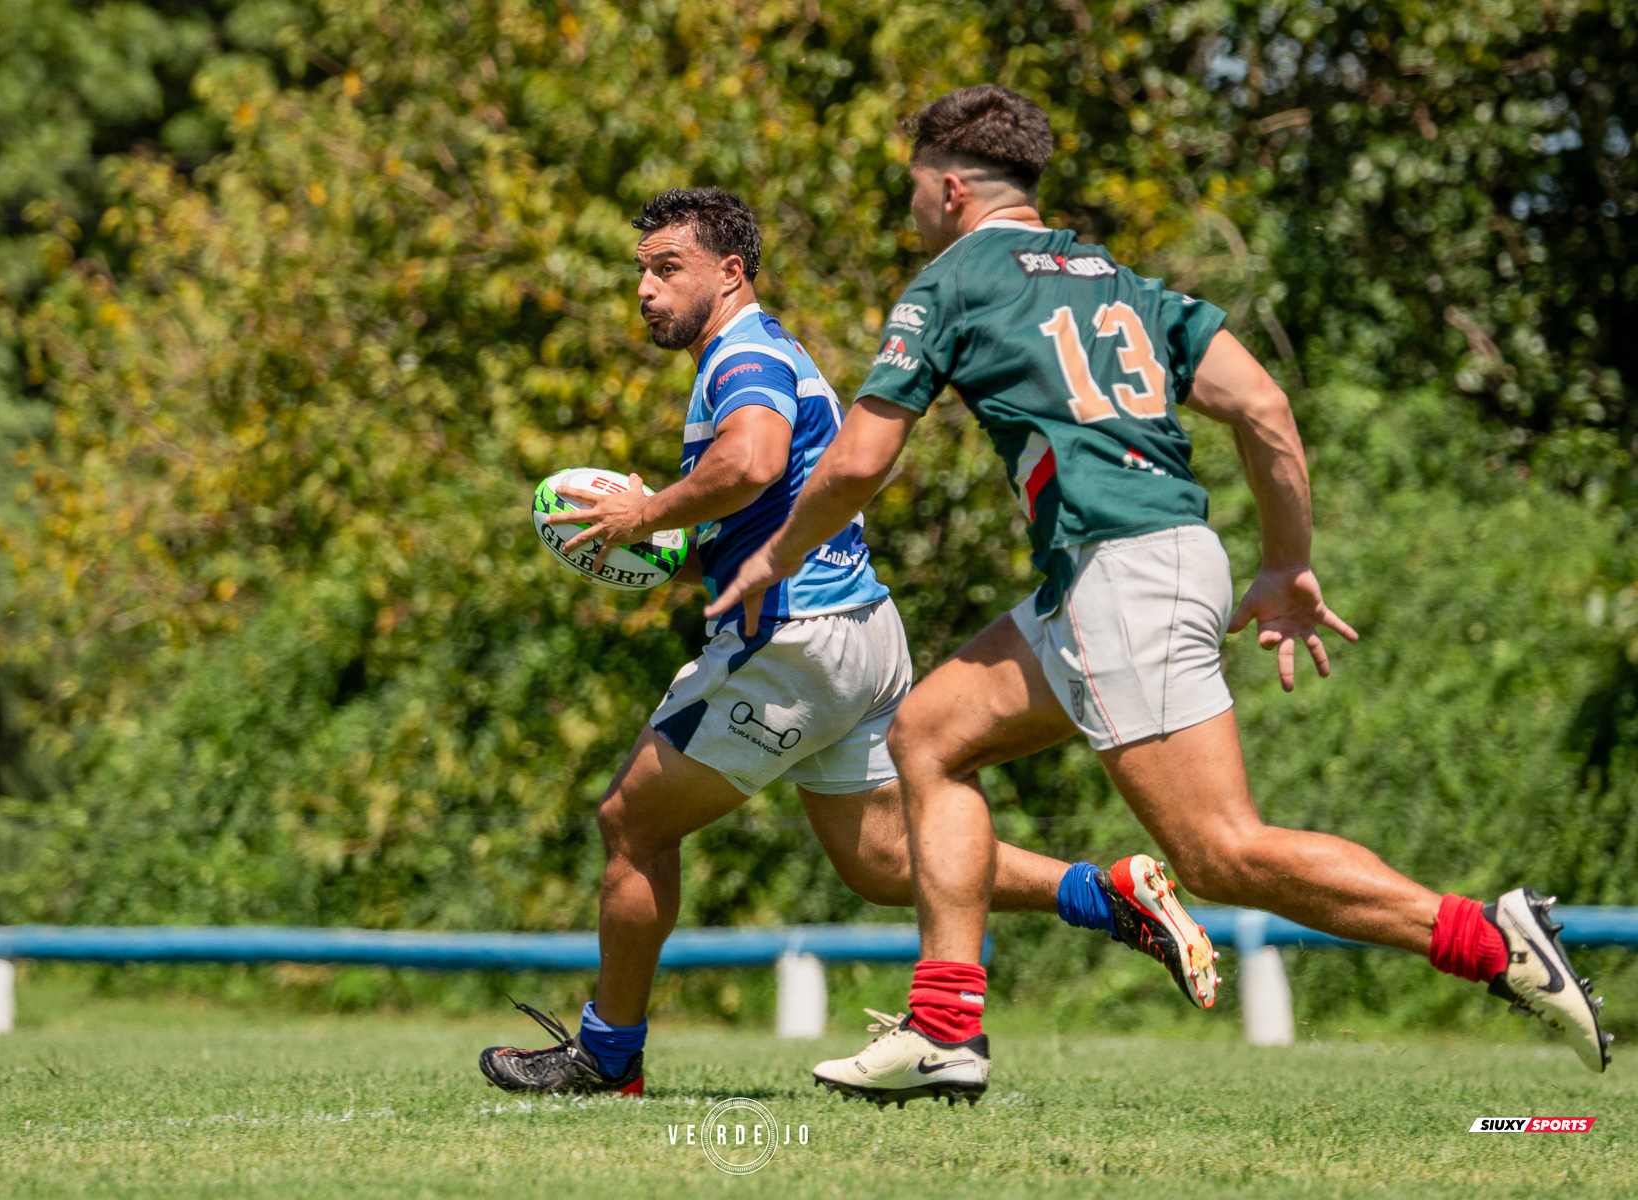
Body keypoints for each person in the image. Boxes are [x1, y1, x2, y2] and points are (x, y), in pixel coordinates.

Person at [708, 86, 1611, 1107]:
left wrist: (776, 554)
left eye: (915, 189)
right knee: (929, 733)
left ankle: (1486, 943)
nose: (912, 209)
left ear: (951, 187)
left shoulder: (949, 280)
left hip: (1115, 575)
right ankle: (944, 1030)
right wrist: (1286, 564)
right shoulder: (1120, 280)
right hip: (1145, 561)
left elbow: (862, 460)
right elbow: (1261, 404)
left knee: (1222, 852)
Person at [480, 188, 1216, 1097]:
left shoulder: (740, 356)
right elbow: (767, 498)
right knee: (880, 864)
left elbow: (749, 462)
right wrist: (674, 543)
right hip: (865, 633)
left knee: (630, 825)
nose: (646, 290)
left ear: (730, 272)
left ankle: (607, 1056)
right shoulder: (774, 347)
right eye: (641, 272)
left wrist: (647, 511)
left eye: (667, 269)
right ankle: (1104, 897)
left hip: (798, 639)